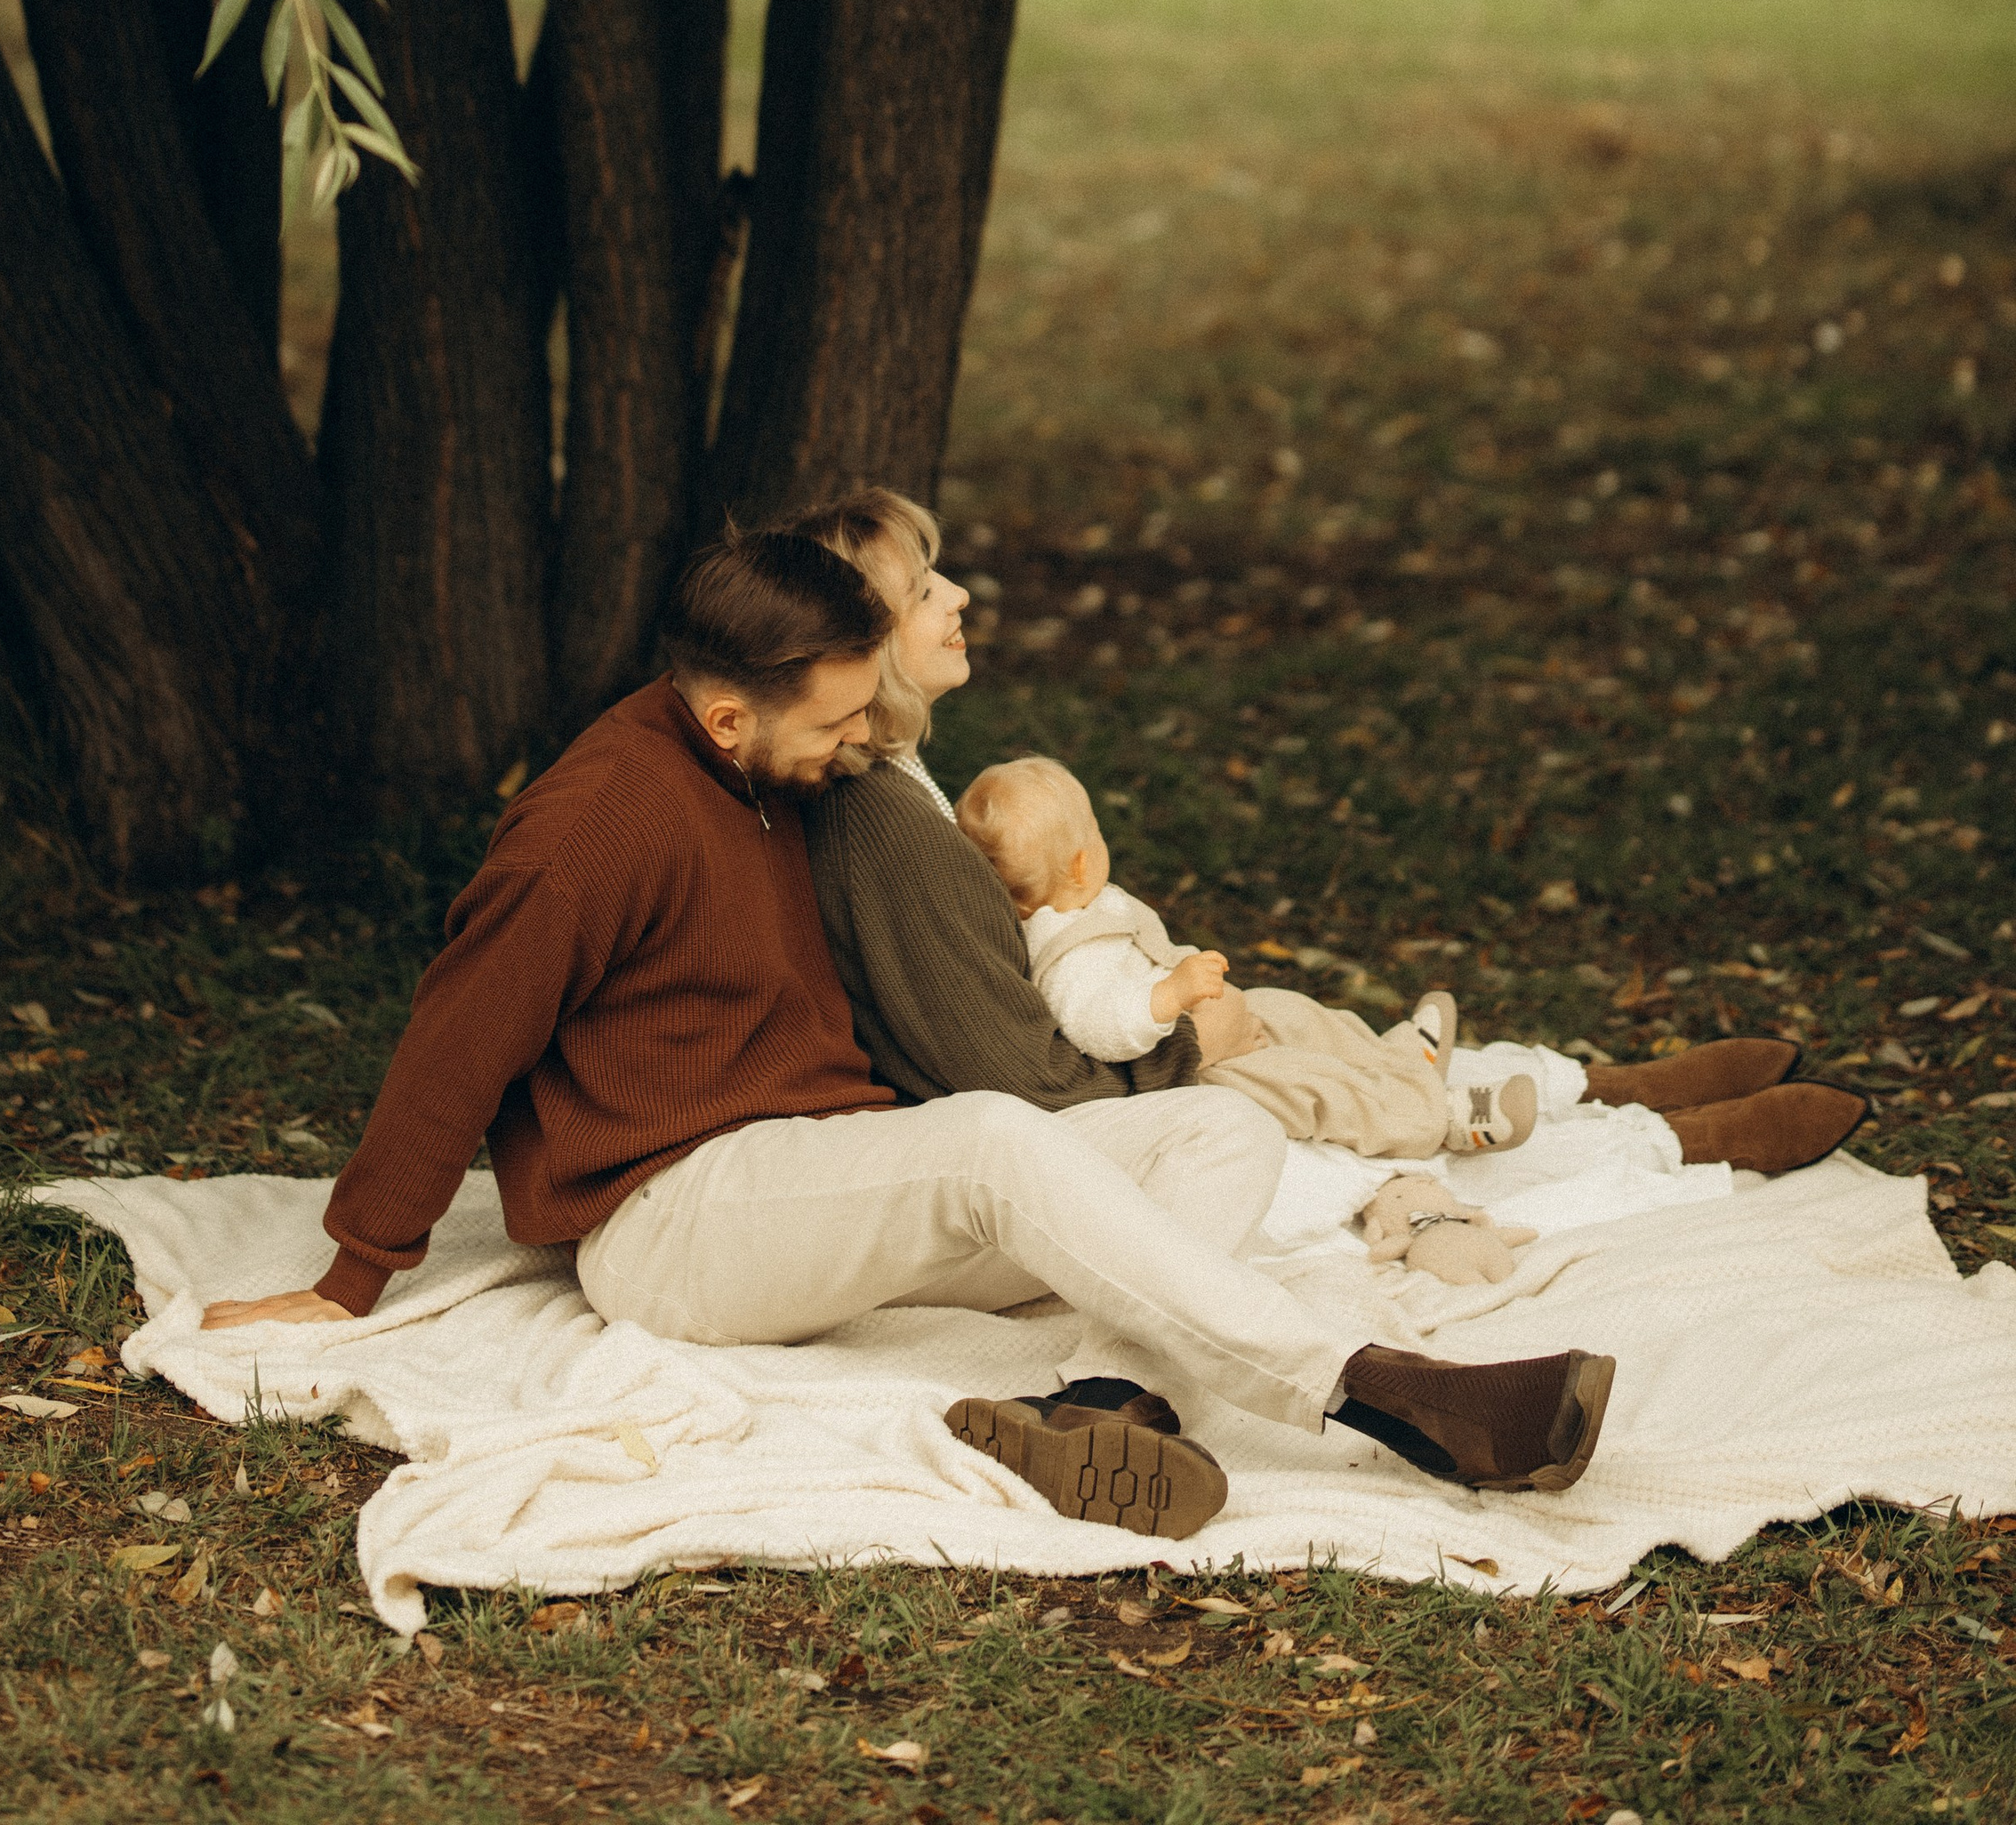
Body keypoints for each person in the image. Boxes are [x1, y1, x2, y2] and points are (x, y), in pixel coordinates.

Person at [202, 523, 1619, 1533]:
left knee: (1213, 1119)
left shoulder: (774, 769)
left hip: (825, 1178)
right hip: (671, 1218)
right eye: (833, 724)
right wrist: (349, 1276)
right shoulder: (590, 831)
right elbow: (459, 1036)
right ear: (720, 717)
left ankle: (1106, 1409)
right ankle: (1386, 1396)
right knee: (998, 1145)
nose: (862, 745)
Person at [796, 486, 1870, 1184]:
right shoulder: (883, 823)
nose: (961, 594)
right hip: (1104, 1109)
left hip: (1120, 1054)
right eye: (926, 589)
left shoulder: (898, 777)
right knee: (1341, 1126)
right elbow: (1017, 1080)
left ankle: (1595, 1085)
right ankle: (1660, 1148)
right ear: (865, 639)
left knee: (1308, 1026)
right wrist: (1180, 1041)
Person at [954, 751, 1538, 1157]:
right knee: (1305, 1086)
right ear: (1083, 861)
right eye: (1097, 831)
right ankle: (1440, 1121)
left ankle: (1398, 1059)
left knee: (1289, 1011)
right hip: (1196, 1073)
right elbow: (1100, 1027)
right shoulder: (1067, 957)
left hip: (1204, 1030)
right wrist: (1170, 995)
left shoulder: (1075, 906)